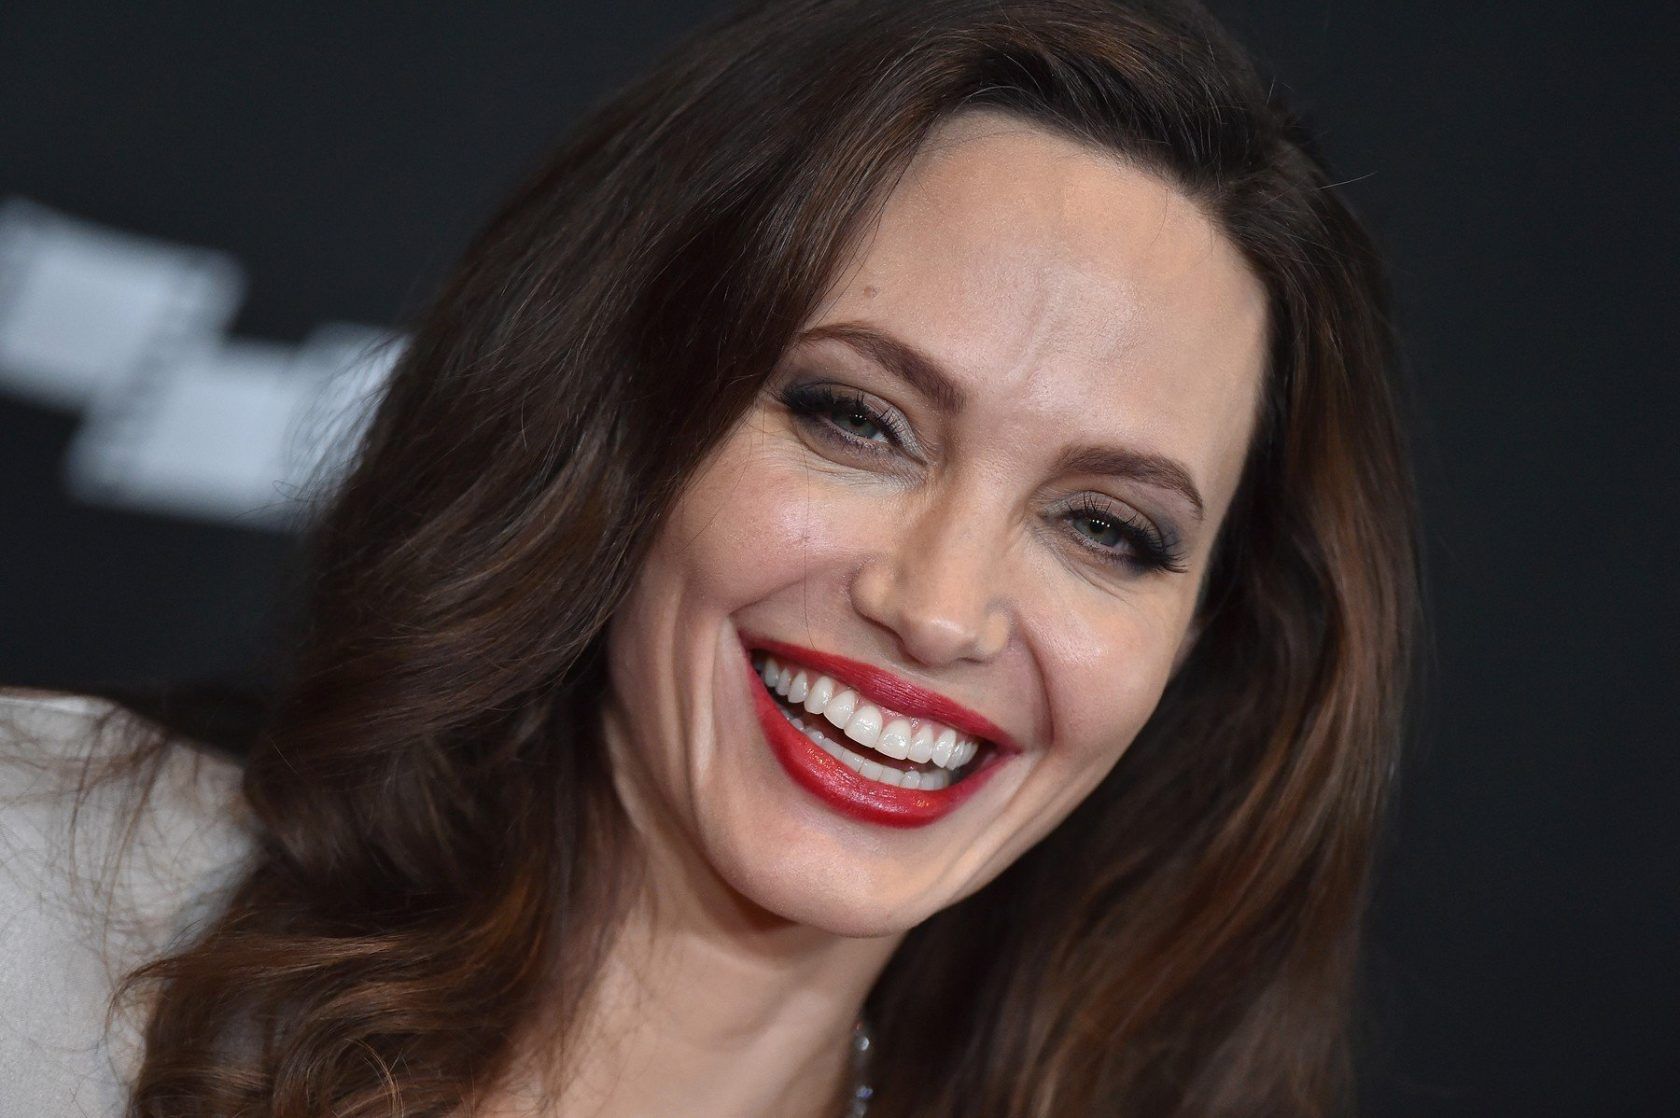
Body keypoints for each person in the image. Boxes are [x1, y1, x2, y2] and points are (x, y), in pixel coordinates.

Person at [0, 0, 1420, 1114]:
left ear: (1199, 641)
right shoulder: (38, 905)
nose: (939, 610)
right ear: (622, 418)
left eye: (1107, 527)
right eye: (857, 420)